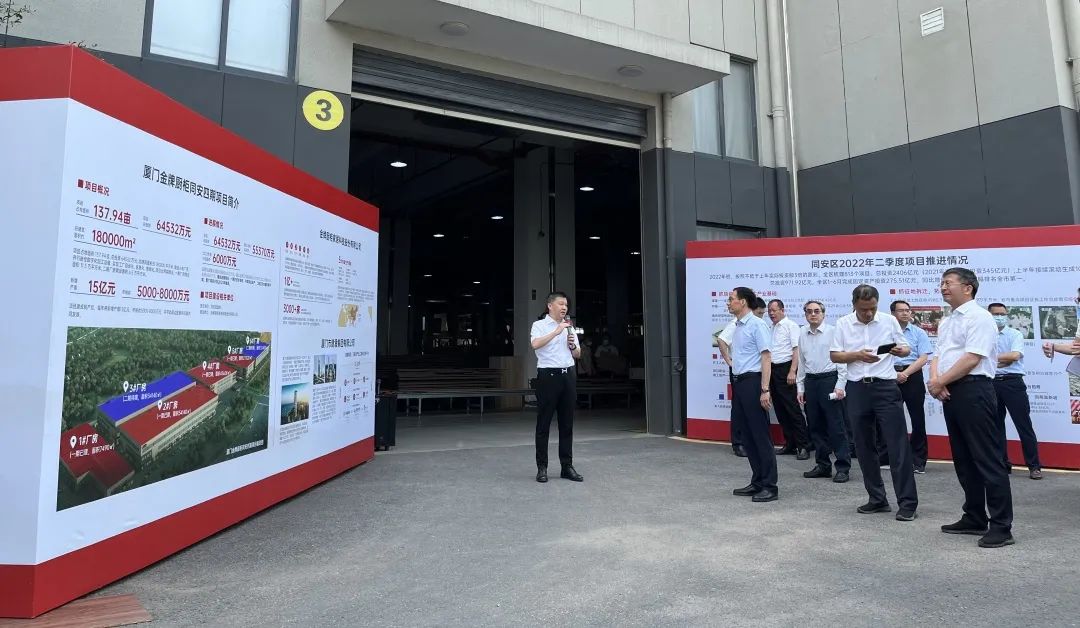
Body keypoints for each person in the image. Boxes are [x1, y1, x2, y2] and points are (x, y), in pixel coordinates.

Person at [929, 268, 1014, 548]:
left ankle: (1001, 526)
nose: (943, 287)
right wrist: (936, 381)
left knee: (987, 458)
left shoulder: (980, 317)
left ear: (968, 288)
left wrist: (940, 381)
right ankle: (975, 516)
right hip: (951, 391)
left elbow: (972, 358)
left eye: (948, 283)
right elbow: (938, 354)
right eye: (941, 283)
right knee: (964, 459)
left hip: (975, 390)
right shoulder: (947, 320)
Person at [830, 284, 918, 522]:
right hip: (857, 388)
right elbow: (835, 355)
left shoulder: (889, 321)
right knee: (863, 445)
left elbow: (906, 347)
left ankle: (907, 503)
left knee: (897, 445)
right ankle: (877, 498)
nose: (868, 313)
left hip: (886, 387)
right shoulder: (843, 323)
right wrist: (857, 355)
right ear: (854, 305)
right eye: (863, 309)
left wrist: (900, 351)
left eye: (872, 308)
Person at [727, 287, 779, 503]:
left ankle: (770, 486)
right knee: (747, 436)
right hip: (740, 382)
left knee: (760, 435)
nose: (728, 302)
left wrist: (765, 389)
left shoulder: (757, 325)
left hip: (753, 382)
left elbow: (766, 357)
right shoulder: (738, 326)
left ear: (743, 302)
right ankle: (757, 481)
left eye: (731, 299)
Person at [530, 292, 583, 483]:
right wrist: (556, 331)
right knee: (543, 423)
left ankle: (566, 466)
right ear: (550, 305)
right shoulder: (539, 325)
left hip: (568, 375)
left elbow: (578, 354)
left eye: (566, 305)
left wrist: (572, 346)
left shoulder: (570, 327)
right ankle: (542, 467)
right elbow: (535, 344)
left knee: (567, 424)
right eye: (561, 304)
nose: (564, 308)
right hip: (548, 376)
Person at [795, 300, 851, 482]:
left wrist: (840, 385)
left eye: (816, 311)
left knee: (836, 426)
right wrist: (800, 387)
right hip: (811, 381)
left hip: (830, 380)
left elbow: (841, 359)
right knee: (815, 426)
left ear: (823, 314)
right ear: (805, 314)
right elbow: (802, 362)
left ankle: (842, 467)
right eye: (809, 311)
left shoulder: (833, 332)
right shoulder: (802, 333)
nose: (813, 314)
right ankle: (823, 465)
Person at [988, 302, 1042, 480]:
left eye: (1002, 314)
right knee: (996, 426)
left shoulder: (1015, 334)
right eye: (996, 314)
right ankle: (1003, 464)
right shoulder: (984, 335)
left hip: (1013, 383)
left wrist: (990, 359)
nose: (999, 317)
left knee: (1023, 425)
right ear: (989, 315)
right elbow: (978, 357)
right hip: (991, 383)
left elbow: (1014, 356)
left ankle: (1034, 466)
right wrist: (1001, 360)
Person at [890, 300, 932, 474]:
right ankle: (891, 458)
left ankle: (918, 460)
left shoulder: (918, 332)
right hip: (889, 375)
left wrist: (905, 373)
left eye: (907, 310)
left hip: (912, 375)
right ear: (893, 313)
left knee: (917, 419)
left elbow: (923, 358)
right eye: (901, 310)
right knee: (890, 419)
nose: (905, 313)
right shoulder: (886, 331)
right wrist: (894, 374)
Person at [767, 299, 811, 459]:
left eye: (774, 310)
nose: (771, 313)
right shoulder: (771, 327)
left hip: (786, 369)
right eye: (769, 311)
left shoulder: (790, 326)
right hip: (773, 370)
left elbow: (796, 350)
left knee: (792, 409)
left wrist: (793, 371)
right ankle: (790, 443)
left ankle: (803, 445)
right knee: (780, 409)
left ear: (782, 310)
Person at [715, 320, 747, 457]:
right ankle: (738, 443)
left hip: (754, 370)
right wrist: (729, 361)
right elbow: (721, 339)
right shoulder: (736, 323)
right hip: (739, 370)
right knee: (739, 406)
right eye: (760, 312)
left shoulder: (757, 323)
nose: (763, 313)